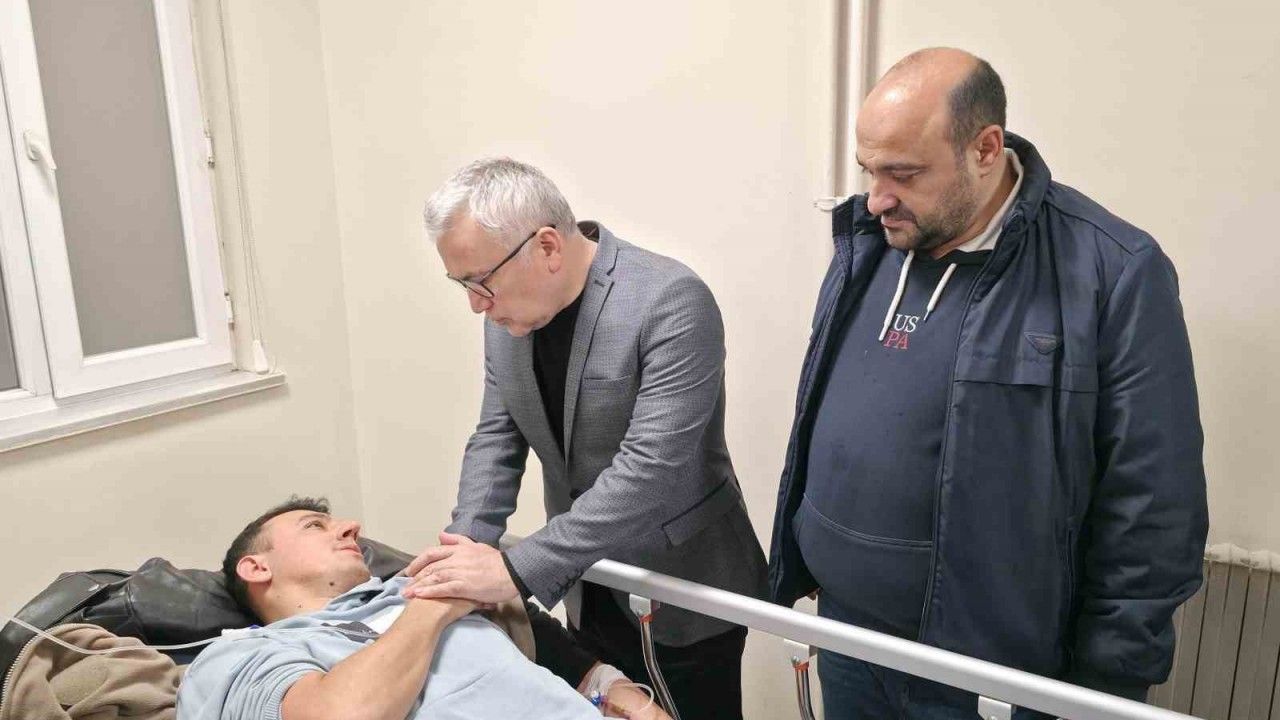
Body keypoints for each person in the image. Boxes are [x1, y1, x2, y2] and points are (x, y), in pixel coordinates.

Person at [768, 47, 1208, 718]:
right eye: (869, 171)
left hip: (990, 675)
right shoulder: (872, 243)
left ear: (985, 149)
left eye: (903, 173)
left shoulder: (1111, 272)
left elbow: (1153, 507)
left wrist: (1105, 690)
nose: (877, 197)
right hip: (848, 638)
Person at [408, 157, 767, 719]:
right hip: (583, 581)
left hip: (683, 585)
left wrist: (514, 569)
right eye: (463, 285)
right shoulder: (506, 318)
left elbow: (651, 469)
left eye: (480, 282)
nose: (475, 304)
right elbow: (497, 437)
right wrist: (466, 548)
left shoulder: (670, 300)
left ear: (547, 247)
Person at [177, 497, 668, 720]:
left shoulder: (416, 589)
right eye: (314, 526)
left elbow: (573, 664)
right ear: (256, 567)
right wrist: (431, 608)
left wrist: (625, 697)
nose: (349, 526)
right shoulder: (240, 656)